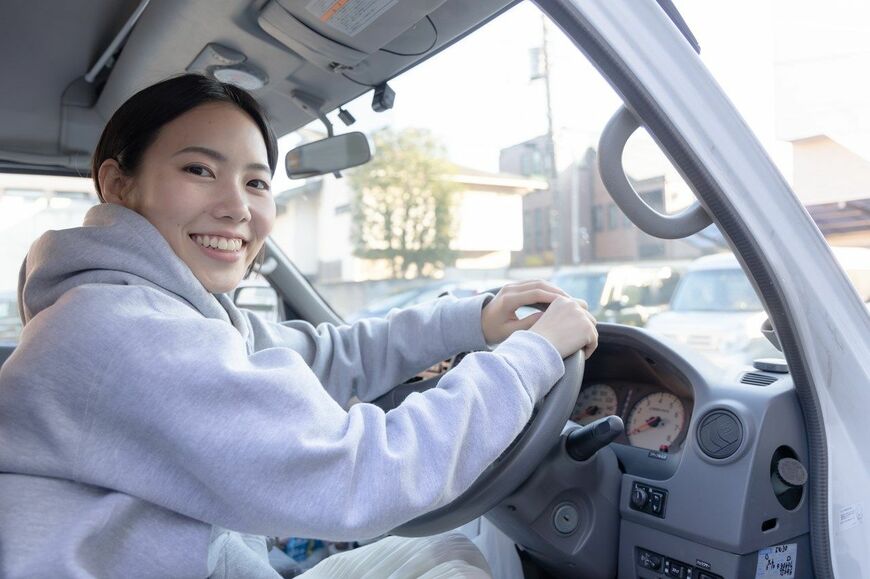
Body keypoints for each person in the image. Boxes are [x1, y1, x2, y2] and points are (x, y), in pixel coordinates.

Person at [0, 74, 598, 578]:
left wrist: (472, 320)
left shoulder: (165, 309)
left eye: (257, 181)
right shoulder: (120, 329)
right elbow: (359, 477)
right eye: (199, 170)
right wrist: (532, 360)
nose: (237, 206)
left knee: (444, 552)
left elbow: (326, 357)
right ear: (118, 184)